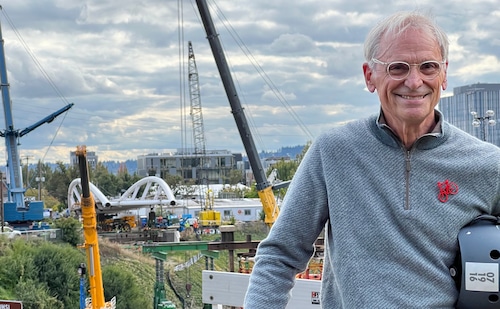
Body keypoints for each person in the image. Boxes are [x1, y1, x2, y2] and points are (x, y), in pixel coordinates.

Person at [243, 10, 500, 308]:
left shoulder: (487, 164)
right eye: (398, 68)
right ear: (370, 77)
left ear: (443, 75)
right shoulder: (334, 152)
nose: (415, 82)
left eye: (428, 67)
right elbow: (279, 256)